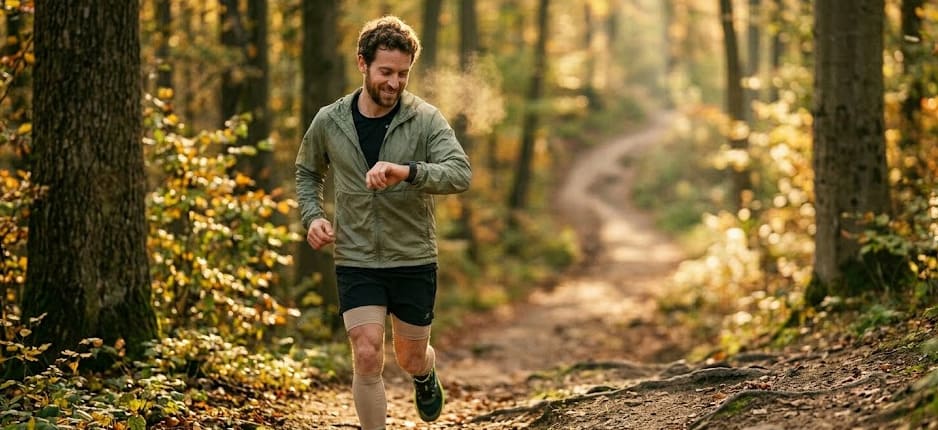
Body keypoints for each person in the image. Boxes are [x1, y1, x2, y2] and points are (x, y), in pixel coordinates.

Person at [295, 15, 471, 430]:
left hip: (411, 255)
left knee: (409, 356)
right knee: (367, 351)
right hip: (356, 256)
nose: (394, 83)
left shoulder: (425, 119)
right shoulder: (330, 120)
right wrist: (313, 215)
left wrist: (409, 171)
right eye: (386, 72)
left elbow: (460, 173)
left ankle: (425, 374)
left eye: (403, 74)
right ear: (363, 64)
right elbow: (307, 171)